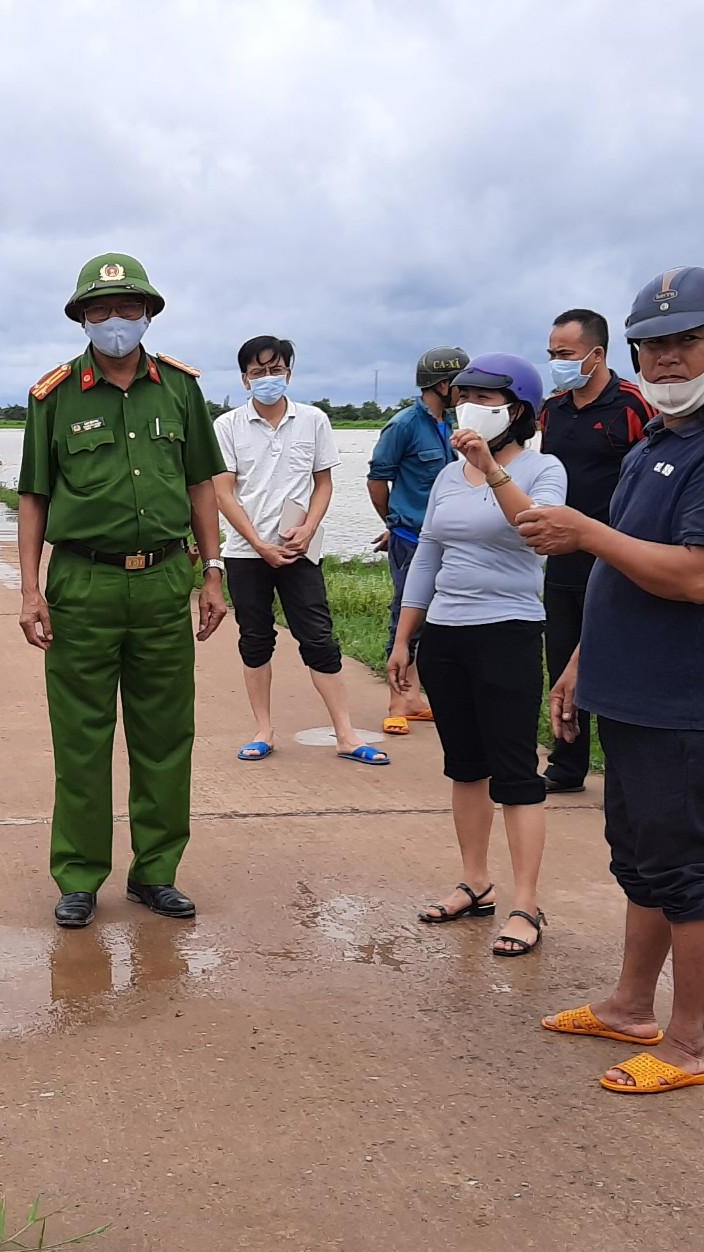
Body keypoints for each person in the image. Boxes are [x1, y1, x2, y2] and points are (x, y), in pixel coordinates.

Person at [516, 267, 704, 1095]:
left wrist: (586, 531)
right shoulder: (660, 443)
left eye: (686, 341)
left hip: (685, 698)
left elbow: (700, 576)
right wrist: (581, 660)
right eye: (653, 345)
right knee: (638, 858)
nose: (666, 359)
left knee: (686, 868)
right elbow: (625, 573)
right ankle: (633, 1005)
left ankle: (691, 1043)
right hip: (625, 687)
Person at [16, 252, 228, 929]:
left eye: (128, 307)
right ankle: (79, 876)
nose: (115, 320)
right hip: (83, 581)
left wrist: (213, 571)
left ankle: (157, 873)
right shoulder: (53, 397)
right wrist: (29, 589)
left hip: (166, 578)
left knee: (166, 734)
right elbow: (33, 497)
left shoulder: (180, 390)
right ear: (82, 316)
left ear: (148, 312)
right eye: (101, 309)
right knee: (81, 736)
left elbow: (201, 484)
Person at [385, 354, 569, 958]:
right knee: (465, 766)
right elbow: (428, 558)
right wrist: (404, 637)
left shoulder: (544, 469)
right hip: (447, 632)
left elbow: (535, 529)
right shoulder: (444, 477)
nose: (474, 409)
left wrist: (490, 469)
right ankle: (476, 881)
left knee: (515, 771)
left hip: (510, 630)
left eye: (489, 401)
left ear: (519, 411)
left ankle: (528, 903)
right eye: (466, 397)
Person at [210, 335, 388, 767]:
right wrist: (256, 543)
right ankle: (262, 731)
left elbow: (323, 482)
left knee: (319, 638)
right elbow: (223, 492)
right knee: (255, 639)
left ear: (289, 372)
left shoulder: (313, 420)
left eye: (275, 370)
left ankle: (345, 734)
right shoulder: (227, 426)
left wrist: (309, 527)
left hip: (298, 548)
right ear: (244, 378)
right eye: (257, 372)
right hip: (247, 553)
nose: (267, 379)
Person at [537, 308, 657, 792]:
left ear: (597, 354)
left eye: (564, 355)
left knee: (612, 663)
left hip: (615, 555)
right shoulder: (553, 408)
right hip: (561, 557)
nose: (556, 363)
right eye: (551, 355)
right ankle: (567, 766)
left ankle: (627, 771)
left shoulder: (634, 405)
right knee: (560, 660)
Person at [366, 346, 469, 735]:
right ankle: (396, 701)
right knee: (406, 619)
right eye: (461, 384)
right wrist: (393, 522)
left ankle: (415, 696)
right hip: (411, 538)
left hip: (447, 538)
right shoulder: (404, 425)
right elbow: (378, 480)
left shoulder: (453, 424)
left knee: (437, 621)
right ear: (443, 384)